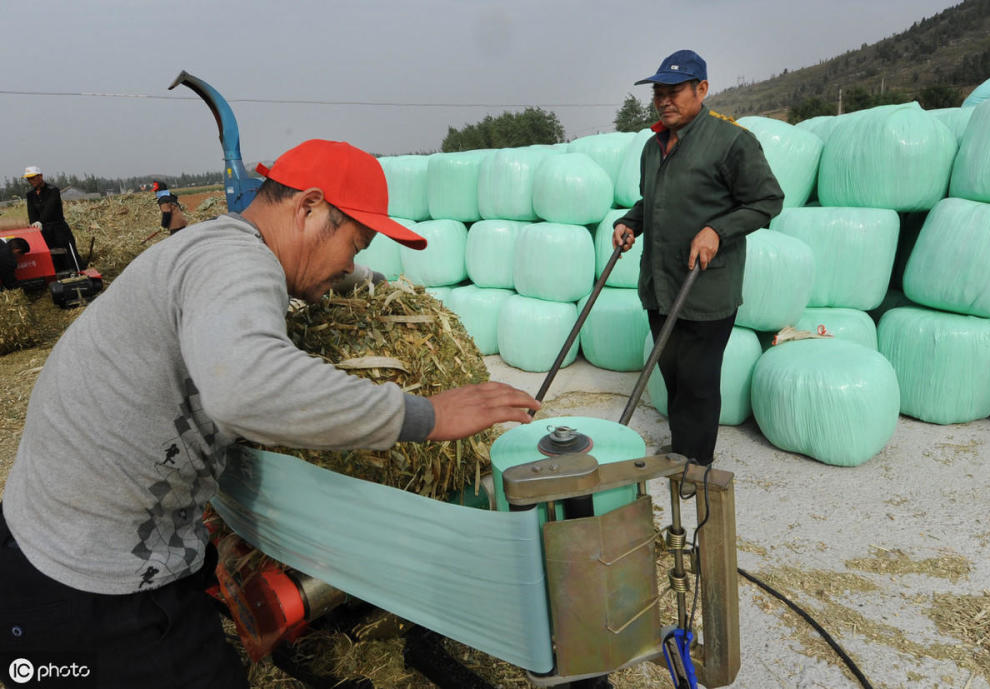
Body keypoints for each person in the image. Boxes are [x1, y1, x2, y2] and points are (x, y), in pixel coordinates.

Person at [0, 139, 541, 688]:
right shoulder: (234, 260)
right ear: (307, 207)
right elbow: (246, 387)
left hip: (66, 545)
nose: (352, 263)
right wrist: (428, 416)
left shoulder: (217, 247)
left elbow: (287, 284)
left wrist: (377, 288)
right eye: (355, 244)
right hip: (90, 586)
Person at [614, 49, 783, 466]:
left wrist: (717, 230)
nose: (665, 100)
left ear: (702, 89)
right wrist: (630, 222)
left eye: (674, 91)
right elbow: (653, 200)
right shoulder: (654, 146)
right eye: (659, 92)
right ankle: (682, 448)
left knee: (698, 383)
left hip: (705, 288)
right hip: (660, 285)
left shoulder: (731, 141)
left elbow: (767, 200)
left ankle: (697, 464)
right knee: (672, 375)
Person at [23, 165, 85, 271]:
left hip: (58, 227)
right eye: (28, 179)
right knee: (51, 254)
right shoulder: (30, 195)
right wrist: (34, 223)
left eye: (33, 177)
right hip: (43, 229)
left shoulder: (53, 190)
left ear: (40, 176)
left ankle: (79, 272)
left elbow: (50, 208)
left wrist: (40, 221)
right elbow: (31, 211)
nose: (31, 180)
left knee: (69, 252)